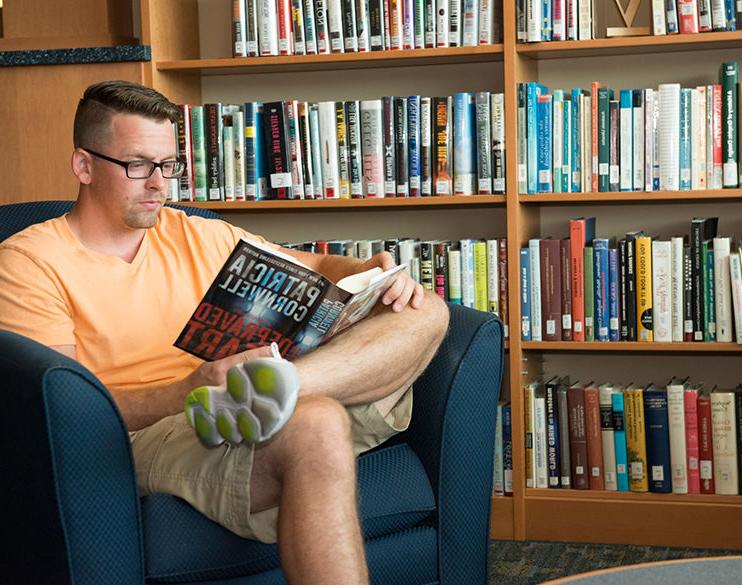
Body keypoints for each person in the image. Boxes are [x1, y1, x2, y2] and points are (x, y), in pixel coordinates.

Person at [0, 80, 449, 585]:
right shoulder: (30, 262)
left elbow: (320, 263)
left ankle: (285, 387)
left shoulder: (198, 232)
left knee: (425, 309)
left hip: (259, 394)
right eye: (138, 165)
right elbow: (62, 410)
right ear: (84, 165)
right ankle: (280, 391)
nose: (158, 184)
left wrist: (370, 269)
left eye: (168, 165)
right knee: (316, 423)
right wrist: (186, 390)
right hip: (150, 430)